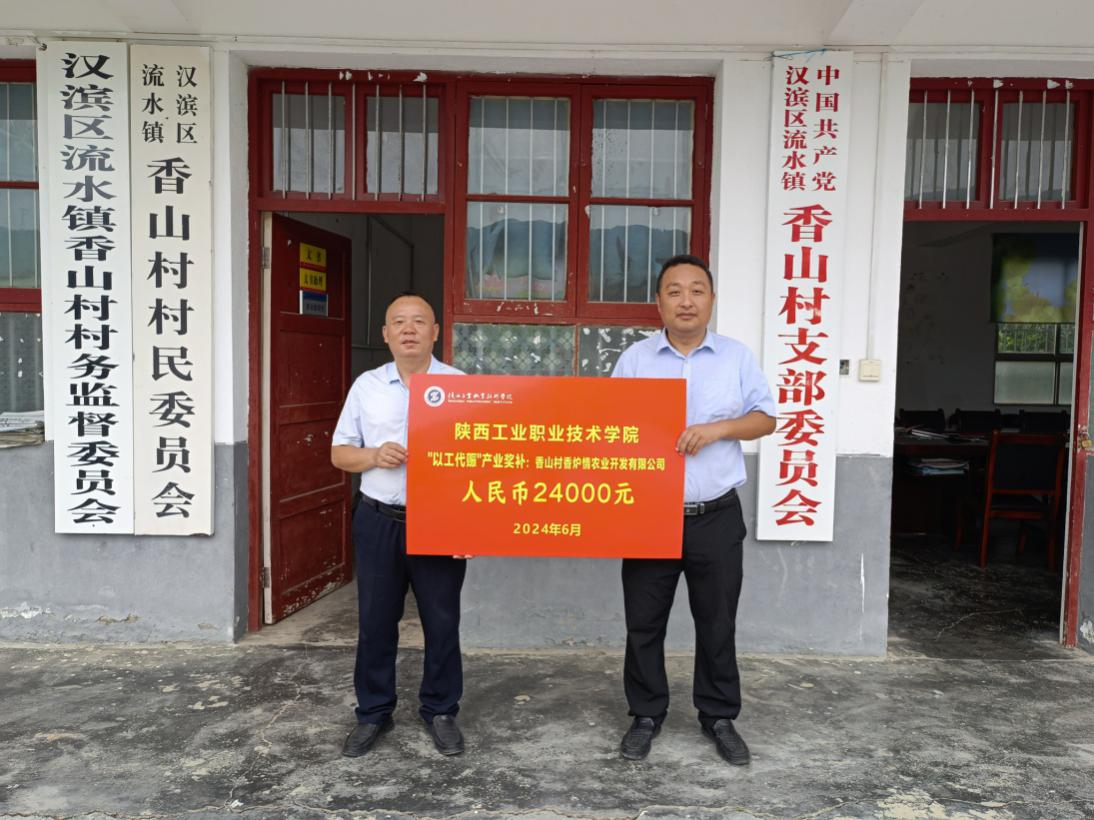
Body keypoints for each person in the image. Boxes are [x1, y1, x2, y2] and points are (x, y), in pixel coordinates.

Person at [611, 254, 776, 765]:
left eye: (697, 290)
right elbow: (608, 426)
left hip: (716, 515)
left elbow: (766, 418)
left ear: (711, 299)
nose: (686, 300)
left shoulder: (736, 357)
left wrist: (719, 428)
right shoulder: (634, 360)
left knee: (717, 620)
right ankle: (645, 714)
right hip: (649, 513)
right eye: (675, 291)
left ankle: (719, 716)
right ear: (658, 302)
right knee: (644, 622)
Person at [331, 291, 468, 758]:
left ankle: (441, 710)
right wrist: (373, 455)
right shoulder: (367, 386)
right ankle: (373, 712)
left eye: (419, 321)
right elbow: (339, 453)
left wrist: (472, 526)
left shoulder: (461, 387)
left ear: (435, 332)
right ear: (385, 334)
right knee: (375, 620)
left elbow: (479, 462)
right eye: (399, 322)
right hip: (378, 519)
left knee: (442, 621)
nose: (409, 329)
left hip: (441, 520)